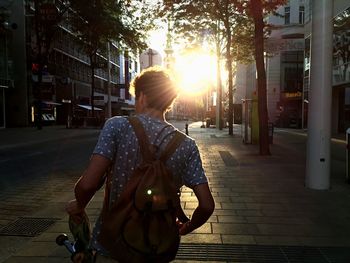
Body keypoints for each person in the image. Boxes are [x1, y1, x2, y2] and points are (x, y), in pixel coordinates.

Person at [66, 66, 215, 262]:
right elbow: (206, 205)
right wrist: (188, 226)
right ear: (169, 102)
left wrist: (79, 204)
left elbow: (88, 184)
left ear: (142, 96)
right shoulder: (187, 145)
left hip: (112, 246)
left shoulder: (117, 127)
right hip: (157, 249)